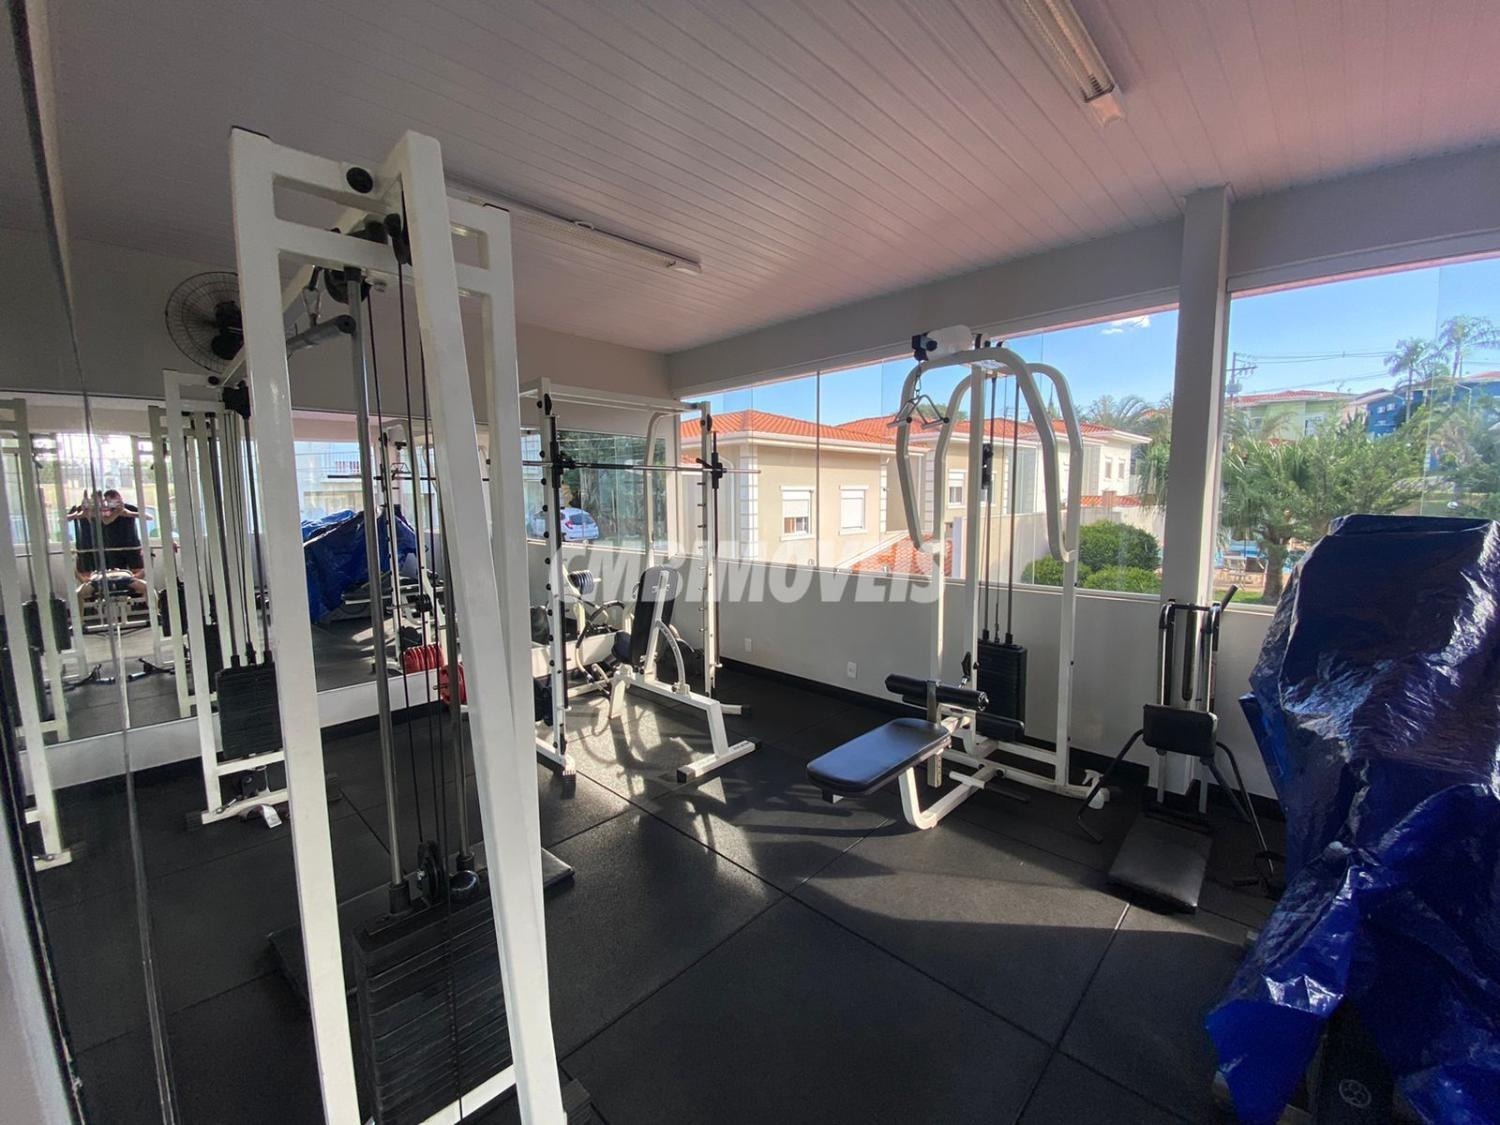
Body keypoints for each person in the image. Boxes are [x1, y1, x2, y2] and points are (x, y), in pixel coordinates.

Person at [68, 490, 148, 603]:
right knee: (78, 593)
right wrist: (83, 513)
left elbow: (107, 520)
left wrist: (122, 512)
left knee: (148, 588)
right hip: (97, 577)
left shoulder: (116, 515)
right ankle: (82, 615)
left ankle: (155, 611)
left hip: (123, 576)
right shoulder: (87, 517)